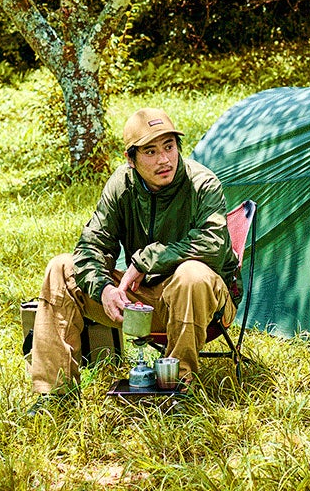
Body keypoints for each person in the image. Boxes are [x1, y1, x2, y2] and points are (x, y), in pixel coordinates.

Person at [28, 107, 240, 407]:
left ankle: (179, 389)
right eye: (150, 151)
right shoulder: (121, 185)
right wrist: (104, 290)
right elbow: (91, 246)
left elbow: (215, 246)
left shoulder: (201, 184)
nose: (164, 159)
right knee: (61, 268)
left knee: (192, 274)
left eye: (169, 146)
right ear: (131, 159)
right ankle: (54, 395)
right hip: (141, 303)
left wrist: (146, 259)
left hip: (202, 301)